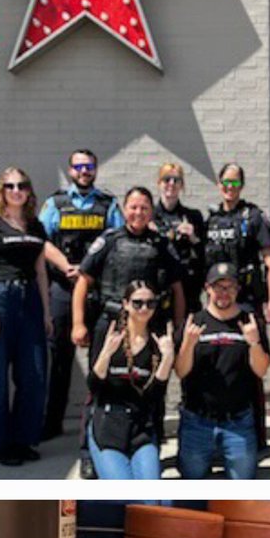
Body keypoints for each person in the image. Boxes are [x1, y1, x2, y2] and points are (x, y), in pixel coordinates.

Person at [73, 187, 185, 478]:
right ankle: (89, 452)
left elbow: (176, 287)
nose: (138, 213)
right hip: (110, 322)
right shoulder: (109, 240)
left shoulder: (160, 243)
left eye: (144, 208)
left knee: (153, 388)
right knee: (99, 388)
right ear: (124, 209)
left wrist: (178, 326)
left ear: (151, 211)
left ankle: (151, 441)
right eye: (133, 207)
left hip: (151, 321)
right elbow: (83, 281)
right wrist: (78, 322)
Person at [0, 167, 56, 467]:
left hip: (30, 301)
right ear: (1, 190)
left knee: (33, 374)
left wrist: (46, 311)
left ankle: (23, 439)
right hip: (0, 299)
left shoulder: (35, 225)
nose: (16, 190)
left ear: (29, 191)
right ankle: (2, 444)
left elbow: (41, 270)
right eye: (10, 186)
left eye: (21, 185)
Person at [38, 148, 123, 443]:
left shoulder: (108, 204)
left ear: (96, 170)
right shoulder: (55, 203)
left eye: (89, 166)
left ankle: (100, 422)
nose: (85, 171)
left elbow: (117, 241)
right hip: (63, 287)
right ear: (71, 170)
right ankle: (52, 423)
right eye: (79, 166)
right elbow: (43, 242)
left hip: (98, 291)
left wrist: (87, 271)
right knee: (59, 359)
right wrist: (68, 267)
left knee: (103, 357)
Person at [204, 162, 270, 449]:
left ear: (242, 186)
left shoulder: (254, 216)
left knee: (253, 368)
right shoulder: (209, 219)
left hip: (248, 301)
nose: (229, 187)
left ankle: (257, 438)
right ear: (218, 184)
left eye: (235, 183)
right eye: (225, 182)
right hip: (218, 303)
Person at [173, 261, 270, 479]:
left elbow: (262, 370)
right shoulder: (193, 322)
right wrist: (188, 344)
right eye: (218, 287)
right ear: (207, 288)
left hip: (238, 421)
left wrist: (254, 342)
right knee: (192, 486)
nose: (223, 293)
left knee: (242, 489)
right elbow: (180, 371)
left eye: (230, 287)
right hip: (196, 420)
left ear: (237, 290)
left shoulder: (251, 322)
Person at [86, 280, 174, 479]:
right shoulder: (110, 334)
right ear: (125, 303)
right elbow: (94, 387)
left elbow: (154, 396)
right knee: (125, 493)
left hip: (140, 426)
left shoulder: (158, 342)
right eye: (137, 303)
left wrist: (167, 359)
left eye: (150, 303)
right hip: (108, 424)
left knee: (151, 499)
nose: (144, 308)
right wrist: (106, 353)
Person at [152, 161, 206, 317]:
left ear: (182, 185)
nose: (171, 184)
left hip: (188, 286)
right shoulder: (150, 216)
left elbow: (205, 255)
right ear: (159, 183)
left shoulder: (193, 216)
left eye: (176, 180)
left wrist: (194, 238)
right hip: (159, 286)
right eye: (166, 179)